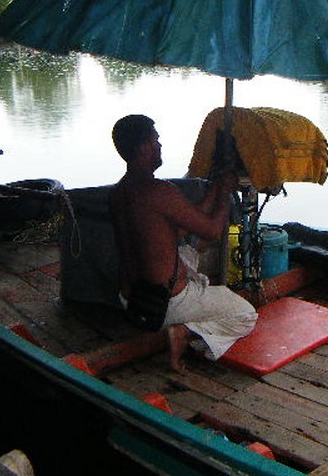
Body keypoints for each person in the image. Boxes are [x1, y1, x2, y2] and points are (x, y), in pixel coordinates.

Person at [109, 114, 258, 372]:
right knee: (245, 315)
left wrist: (212, 191)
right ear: (145, 147)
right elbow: (212, 231)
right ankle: (185, 332)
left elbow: (173, 229)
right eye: (156, 141)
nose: (160, 146)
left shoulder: (119, 192)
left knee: (190, 249)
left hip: (130, 298)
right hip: (164, 305)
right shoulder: (160, 192)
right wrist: (224, 194)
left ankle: (187, 313)